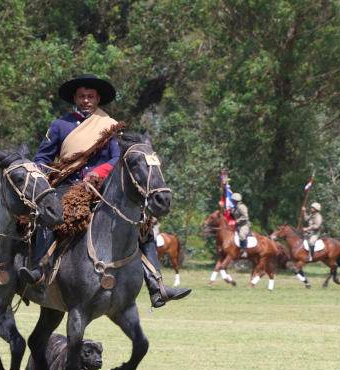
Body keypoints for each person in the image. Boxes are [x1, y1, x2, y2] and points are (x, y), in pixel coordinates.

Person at [20, 73, 190, 308]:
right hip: (67, 185)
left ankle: (156, 285)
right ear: (75, 98)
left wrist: (97, 173)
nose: (86, 100)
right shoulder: (59, 125)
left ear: (98, 98)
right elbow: (42, 158)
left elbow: (118, 157)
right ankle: (39, 269)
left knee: (141, 222)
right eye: (82, 96)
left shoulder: (110, 126)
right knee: (49, 214)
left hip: (101, 188)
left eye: (90, 96)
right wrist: (40, 171)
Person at [230, 193, 250, 258]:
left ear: (236, 200)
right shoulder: (236, 207)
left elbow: (245, 217)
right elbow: (234, 216)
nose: (232, 200)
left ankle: (244, 251)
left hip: (244, 225)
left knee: (242, 235)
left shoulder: (242, 207)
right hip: (238, 225)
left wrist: (237, 221)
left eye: (233, 199)